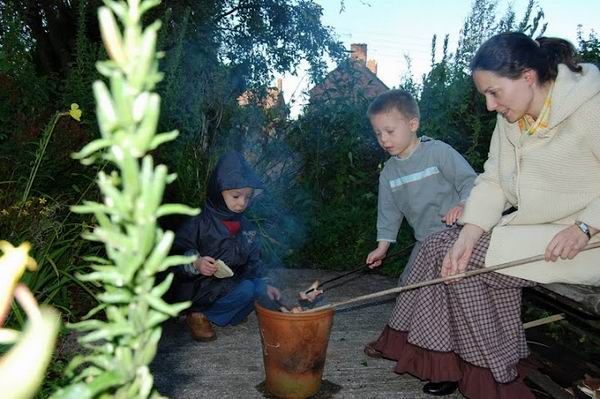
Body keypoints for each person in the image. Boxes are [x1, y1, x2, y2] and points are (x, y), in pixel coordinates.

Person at [365, 32, 600, 399]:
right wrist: (469, 233)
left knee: (457, 263)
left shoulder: (590, 105)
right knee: (446, 249)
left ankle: (490, 374)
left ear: (527, 77)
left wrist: (586, 226)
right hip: (536, 232)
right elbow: (492, 183)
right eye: (485, 96)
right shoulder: (513, 121)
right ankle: (485, 369)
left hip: (586, 242)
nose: (490, 106)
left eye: (494, 93)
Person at [364, 89, 477, 283]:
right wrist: (382, 248)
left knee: (457, 282)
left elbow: (470, 181)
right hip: (425, 241)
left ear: (413, 124)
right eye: (378, 133)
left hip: (459, 233)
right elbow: (388, 214)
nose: (383, 139)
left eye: (389, 131)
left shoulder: (438, 152)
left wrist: (464, 204)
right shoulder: (388, 174)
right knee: (408, 286)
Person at [170, 151, 281, 342]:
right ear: (218, 191)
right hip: (200, 289)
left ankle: (215, 315)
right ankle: (195, 314)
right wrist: (196, 263)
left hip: (228, 286)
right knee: (245, 291)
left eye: (247, 198)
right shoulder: (198, 222)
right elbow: (175, 253)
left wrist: (265, 284)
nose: (242, 203)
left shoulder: (247, 227)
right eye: (236, 196)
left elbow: (254, 261)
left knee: (252, 289)